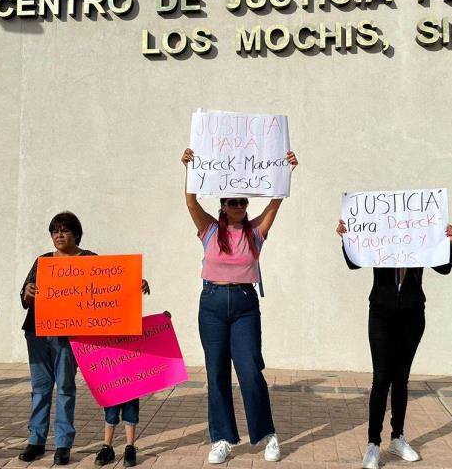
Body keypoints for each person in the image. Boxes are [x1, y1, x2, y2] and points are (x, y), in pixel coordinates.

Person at [181, 147, 298, 465]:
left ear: (246, 205)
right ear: (222, 205)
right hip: (212, 305)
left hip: (245, 306)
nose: (237, 205)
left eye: (241, 201)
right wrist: (190, 168)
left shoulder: (256, 232)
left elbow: (276, 201)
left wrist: (286, 170)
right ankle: (222, 438)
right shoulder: (209, 230)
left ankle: (267, 435)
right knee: (216, 373)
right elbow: (191, 201)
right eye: (231, 201)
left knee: (249, 371)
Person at [337, 219, 452, 469]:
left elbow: (444, 268)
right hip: (381, 313)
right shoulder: (381, 237)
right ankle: (373, 443)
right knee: (381, 378)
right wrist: (346, 238)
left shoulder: (421, 240)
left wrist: (448, 244)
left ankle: (397, 437)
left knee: (401, 378)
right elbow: (353, 262)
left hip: (412, 314)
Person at [18, 211, 92, 465]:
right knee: (40, 389)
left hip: (68, 335)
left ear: (76, 234)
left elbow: (111, 288)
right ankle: (36, 441)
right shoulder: (42, 261)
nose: (59, 235)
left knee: (66, 387)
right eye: (55, 231)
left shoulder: (90, 260)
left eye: (65, 230)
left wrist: (135, 284)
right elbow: (25, 299)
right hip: (38, 333)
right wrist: (27, 292)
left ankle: (63, 443)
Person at [93, 293, 152, 468]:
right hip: (110, 368)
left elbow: (150, 333)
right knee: (111, 410)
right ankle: (107, 446)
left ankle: (130, 446)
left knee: (131, 409)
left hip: (130, 368)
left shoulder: (132, 317)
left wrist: (163, 322)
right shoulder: (104, 315)